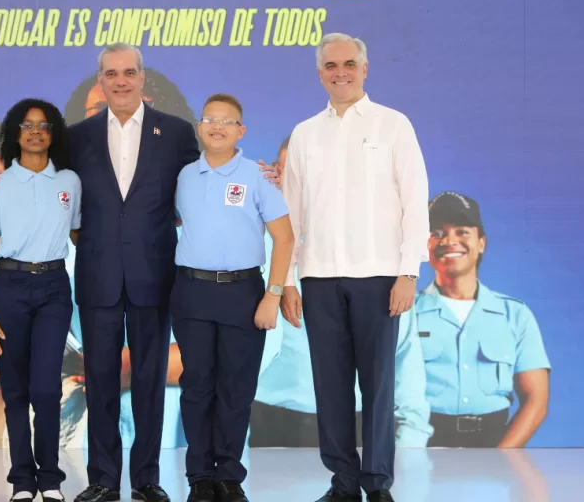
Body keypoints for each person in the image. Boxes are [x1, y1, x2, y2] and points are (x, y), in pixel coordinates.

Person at [0, 43, 279, 502]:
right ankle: (103, 479)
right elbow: (45, 183)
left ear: (142, 78)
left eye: (128, 72)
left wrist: (263, 177)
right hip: (97, 275)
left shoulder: (176, 133)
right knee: (101, 380)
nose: (120, 81)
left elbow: (205, 181)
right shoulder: (77, 137)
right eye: (111, 73)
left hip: (155, 276)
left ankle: (146, 479)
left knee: (148, 382)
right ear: (101, 79)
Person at [280, 33, 429, 502]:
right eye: (331, 65)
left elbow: (415, 201)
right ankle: (343, 482)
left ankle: (377, 482)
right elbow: (291, 213)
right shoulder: (305, 133)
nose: (340, 72)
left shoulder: (394, 125)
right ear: (319, 73)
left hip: (379, 277)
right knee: (331, 386)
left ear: (365, 69)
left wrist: (408, 272)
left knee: (379, 385)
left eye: (349, 64)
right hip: (318, 277)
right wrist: (287, 281)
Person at [249, 137, 432, 449]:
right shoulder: (253, 247)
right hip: (269, 425)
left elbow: (404, 359)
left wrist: (410, 443)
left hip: (357, 422)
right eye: (285, 172)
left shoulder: (377, 252)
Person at [170, 94, 293, 502]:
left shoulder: (257, 176)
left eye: (227, 121)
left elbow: (284, 238)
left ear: (241, 130)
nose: (217, 127)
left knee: (236, 387)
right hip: (192, 290)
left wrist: (273, 295)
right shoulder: (185, 175)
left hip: (243, 291)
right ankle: (199, 475)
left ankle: (228, 474)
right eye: (210, 120)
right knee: (197, 385)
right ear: (200, 127)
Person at [0, 98, 81, 502]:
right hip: (9, 287)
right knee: (16, 391)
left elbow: (79, 235)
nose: (36, 132)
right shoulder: (0, 184)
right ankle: (22, 480)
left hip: (54, 287)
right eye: (27, 125)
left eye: (44, 125)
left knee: (47, 390)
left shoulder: (69, 182)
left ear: (54, 133)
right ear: (14, 134)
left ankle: (50, 478)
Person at [416, 191, 551, 447]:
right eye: (437, 232)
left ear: (481, 243)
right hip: (420, 447)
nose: (449, 240)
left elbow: (536, 401)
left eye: (462, 231)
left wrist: (500, 459)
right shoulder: (403, 314)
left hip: (493, 445)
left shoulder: (515, 315)